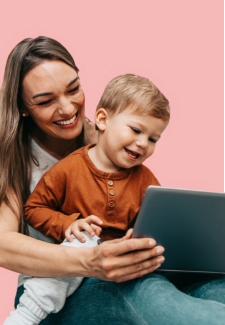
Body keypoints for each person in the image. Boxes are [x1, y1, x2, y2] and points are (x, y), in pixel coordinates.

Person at [1, 36, 225, 325]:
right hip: (53, 294)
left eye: (74, 89)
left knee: (215, 285)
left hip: (126, 271)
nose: (68, 109)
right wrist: (92, 260)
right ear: (22, 108)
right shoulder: (13, 158)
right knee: (145, 289)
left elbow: (145, 211)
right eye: (45, 101)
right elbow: (3, 243)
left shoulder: (115, 141)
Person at [4, 73, 169, 324]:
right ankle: (27, 314)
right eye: (136, 130)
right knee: (83, 241)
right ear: (103, 119)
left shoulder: (145, 179)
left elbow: (154, 221)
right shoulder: (68, 169)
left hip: (120, 268)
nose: (142, 143)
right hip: (75, 265)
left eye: (153, 139)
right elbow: (34, 208)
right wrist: (68, 224)